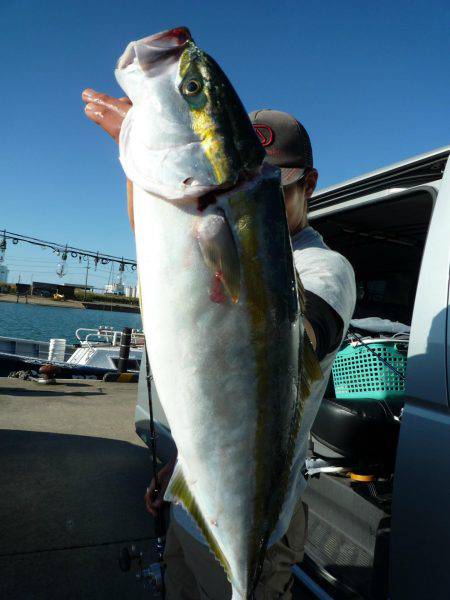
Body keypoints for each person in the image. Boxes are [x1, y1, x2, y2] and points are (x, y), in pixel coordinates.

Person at [82, 90, 356, 599]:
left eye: (271, 183)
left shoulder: (325, 269)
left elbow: (290, 349)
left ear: (308, 183)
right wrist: (176, 469)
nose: (249, 200)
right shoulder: (224, 242)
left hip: (258, 521)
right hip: (192, 505)